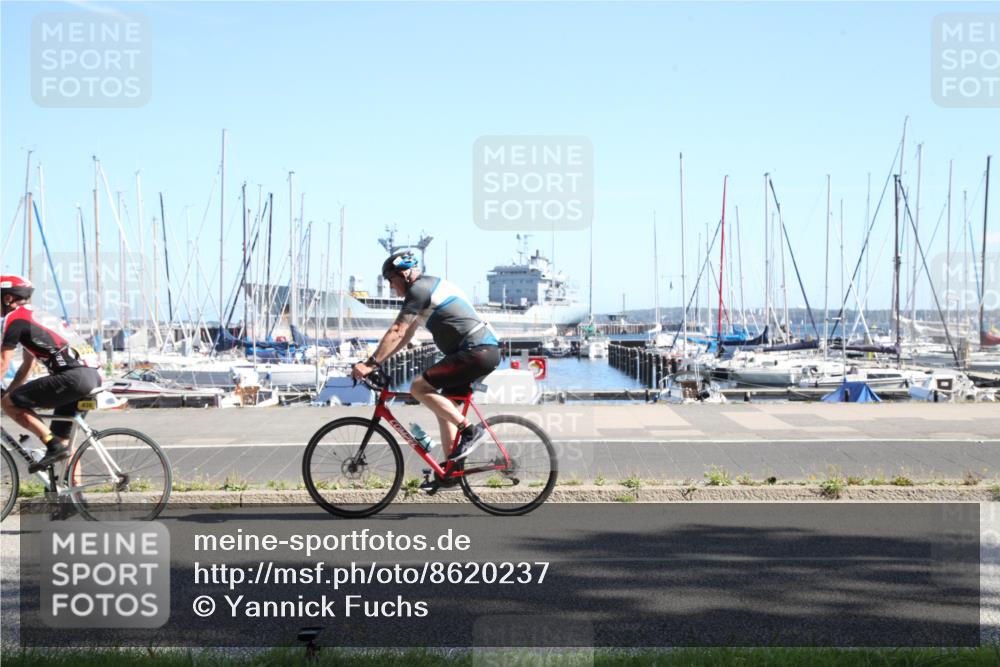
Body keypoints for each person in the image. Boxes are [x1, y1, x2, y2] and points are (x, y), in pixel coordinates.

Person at [351, 250, 500, 468]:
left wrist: (370, 364)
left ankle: (471, 431)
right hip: (479, 352)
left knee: (418, 387)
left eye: (392, 280)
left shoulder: (419, 290)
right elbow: (405, 336)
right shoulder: (426, 290)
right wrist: (379, 362)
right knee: (445, 408)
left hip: (476, 350)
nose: (391, 287)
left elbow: (397, 331)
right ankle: (450, 469)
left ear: (404, 275)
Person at [1, 275, 101, 472]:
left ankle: (51, 445)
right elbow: (26, 368)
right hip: (91, 376)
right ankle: (72, 498)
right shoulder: (37, 316)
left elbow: (3, 363)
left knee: (9, 405)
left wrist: (6, 399)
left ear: (7, 298)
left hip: (73, 377)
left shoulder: (14, 319)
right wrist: (9, 393)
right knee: (64, 445)